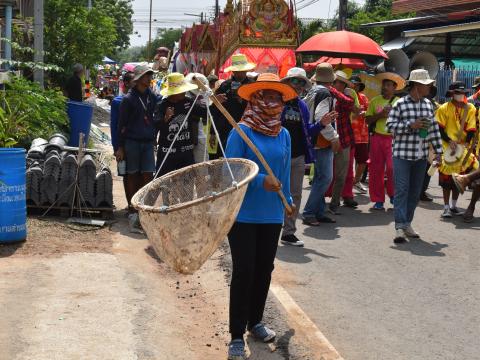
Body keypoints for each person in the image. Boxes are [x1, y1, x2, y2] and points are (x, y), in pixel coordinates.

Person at [225, 73, 296, 360]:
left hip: (272, 214)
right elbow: (230, 171)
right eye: (266, 95)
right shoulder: (241, 131)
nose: (272, 101)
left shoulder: (284, 133)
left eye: (277, 96)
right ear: (255, 98)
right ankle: (235, 335)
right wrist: (260, 180)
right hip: (243, 215)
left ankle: (255, 322)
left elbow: (285, 171)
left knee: (264, 270)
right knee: (244, 271)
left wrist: (288, 200)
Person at [386, 69, 443, 244]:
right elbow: (390, 126)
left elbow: (433, 130)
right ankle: (399, 227)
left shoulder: (428, 104)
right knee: (402, 190)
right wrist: (412, 125)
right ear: (417, 86)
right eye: (427, 85)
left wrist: (439, 152)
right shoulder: (400, 104)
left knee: (415, 192)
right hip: (402, 155)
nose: (430, 87)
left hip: (421, 156)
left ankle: (407, 224)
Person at [279, 67, 321, 246]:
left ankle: (288, 232)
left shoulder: (302, 106)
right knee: (273, 192)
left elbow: (307, 132)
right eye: (294, 81)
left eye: (301, 82)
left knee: (295, 195)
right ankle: (269, 228)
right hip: (277, 156)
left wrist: (321, 124)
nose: (297, 85)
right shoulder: (276, 101)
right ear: (287, 83)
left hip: (297, 157)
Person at [301, 63, 344, 226]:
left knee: (320, 177)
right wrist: (334, 137)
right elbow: (322, 117)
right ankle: (310, 212)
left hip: (313, 136)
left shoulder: (312, 91)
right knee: (325, 177)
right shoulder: (325, 93)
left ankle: (318, 211)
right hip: (322, 139)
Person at [116, 65, 157, 231]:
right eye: (146, 76)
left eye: (150, 75)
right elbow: (121, 125)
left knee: (148, 174)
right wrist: (119, 146)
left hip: (148, 142)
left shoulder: (152, 97)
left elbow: (154, 116)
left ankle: (143, 206)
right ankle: (133, 208)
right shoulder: (128, 99)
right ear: (138, 79)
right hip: (131, 141)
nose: (149, 78)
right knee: (132, 174)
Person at [436, 81, 478, 218]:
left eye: (463, 93)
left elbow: (472, 128)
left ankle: (454, 206)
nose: (461, 95)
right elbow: (440, 128)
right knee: (446, 180)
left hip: (463, 147)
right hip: (446, 147)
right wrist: (449, 141)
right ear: (452, 94)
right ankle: (446, 207)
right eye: (458, 93)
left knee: (459, 178)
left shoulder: (470, 108)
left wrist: (465, 143)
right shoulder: (444, 108)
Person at [366, 72, 405, 210]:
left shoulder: (399, 102)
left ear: (395, 88)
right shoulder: (375, 101)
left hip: (393, 139)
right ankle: (378, 199)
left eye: (389, 85)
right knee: (376, 170)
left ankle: (393, 195)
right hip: (376, 138)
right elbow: (367, 120)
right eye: (384, 85)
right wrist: (380, 115)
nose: (385, 87)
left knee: (392, 168)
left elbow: (405, 121)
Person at [156, 73, 205, 175]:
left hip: (186, 152)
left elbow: (205, 113)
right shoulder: (161, 105)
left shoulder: (188, 102)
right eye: (181, 90)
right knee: (162, 182)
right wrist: (165, 118)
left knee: (188, 182)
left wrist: (217, 103)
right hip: (167, 152)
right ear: (173, 93)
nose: (184, 92)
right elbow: (155, 126)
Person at [210, 54, 256, 159]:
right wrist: (212, 132)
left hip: (247, 130)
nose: (239, 73)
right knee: (224, 159)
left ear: (246, 70)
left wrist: (242, 101)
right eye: (237, 71)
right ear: (233, 71)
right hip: (225, 131)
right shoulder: (224, 85)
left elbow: (257, 109)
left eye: (242, 70)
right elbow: (215, 111)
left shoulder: (252, 86)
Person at [326, 70, 356, 214]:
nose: (339, 85)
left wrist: (332, 90)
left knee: (341, 174)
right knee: (324, 174)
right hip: (326, 139)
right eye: (337, 82)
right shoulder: (323, 94)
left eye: (341, 83)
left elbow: (349, 103)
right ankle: (320, 202)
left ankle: (334, 203)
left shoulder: (346, 96)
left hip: (343, 139)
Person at [110, 71, 135, 212]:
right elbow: (114, 126)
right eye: (133, 81)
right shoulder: (118, 102)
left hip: (135, 143)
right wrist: (116, 147)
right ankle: (130, 204)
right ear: (126, 83)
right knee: (125, 174)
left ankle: (133, 204)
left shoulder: (142, 100)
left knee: (135, 174)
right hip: (122, 144)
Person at [350, 76, 369, 194]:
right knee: (347, 163)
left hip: (362, 135)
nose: (354, 86)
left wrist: (363, 113)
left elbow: (369, 111)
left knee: (362, 161)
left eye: (356, 85)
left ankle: (356, 181)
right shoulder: (345, 97)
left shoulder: (363, 98)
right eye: (352, 84)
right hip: (348, 134)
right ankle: (347, 185)